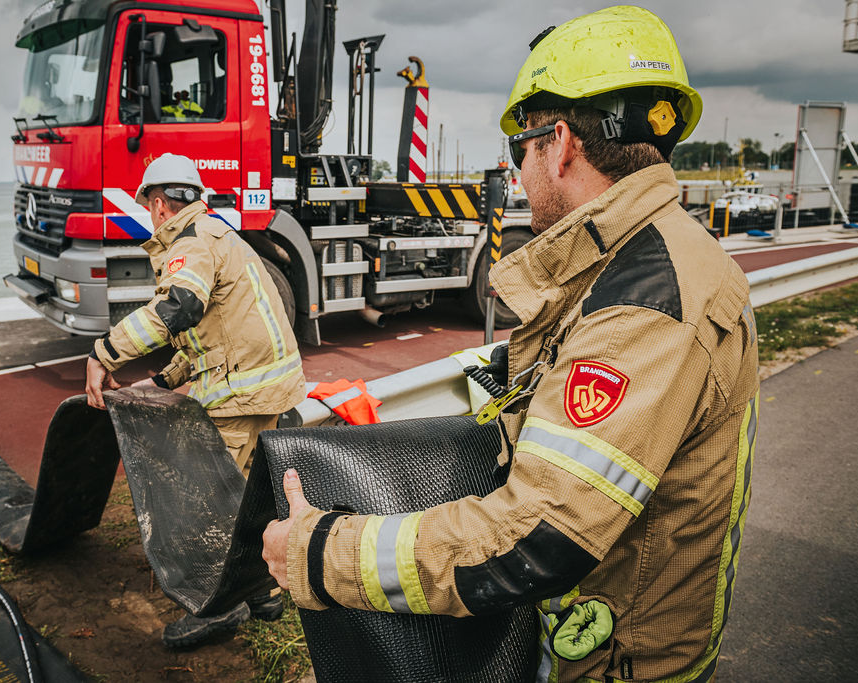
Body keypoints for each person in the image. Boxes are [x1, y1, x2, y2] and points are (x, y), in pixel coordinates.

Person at [263, 7, 759, 682]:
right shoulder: (643, 261)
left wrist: (320, 552)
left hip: (618, 662)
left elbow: (532, 538)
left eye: (516, 150)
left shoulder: (647, 301)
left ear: (558, 144)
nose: (519, 174)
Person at [85, 152, 305, 648]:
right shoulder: (219, 233)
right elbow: (212, 335)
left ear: (159, 203)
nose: (150, 213)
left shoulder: (191, 244)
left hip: (240, 392)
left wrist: (105, 354)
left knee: (207, 505)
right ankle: (265, 590)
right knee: (250, 495)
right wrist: (161, 382)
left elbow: (177, 307)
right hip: (269, 385)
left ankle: (218, 609)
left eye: (148, 206)